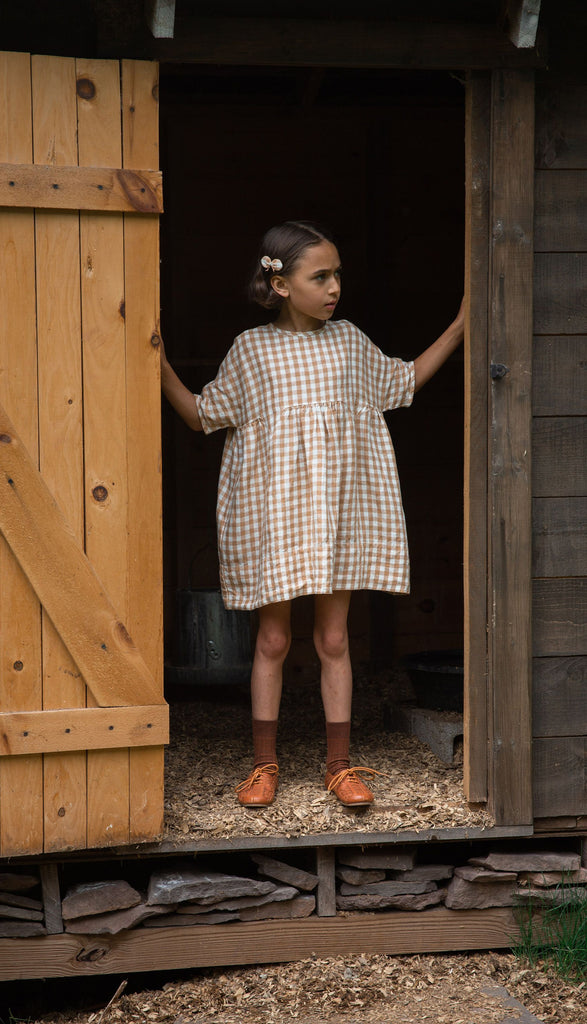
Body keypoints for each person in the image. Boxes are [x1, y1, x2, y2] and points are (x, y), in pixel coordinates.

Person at [160, 220, 464, 810]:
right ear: (279, 285)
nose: (334, 287)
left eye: (337, 274)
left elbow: (401, 383)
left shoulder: (350, 341)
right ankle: (264, 765)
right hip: (278, 518)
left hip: (337, 518)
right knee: (272, 639)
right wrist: (156, 361)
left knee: (332, 637)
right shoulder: (251, 350)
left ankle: (339, 765)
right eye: (320, 276)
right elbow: (202, 415)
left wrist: (457, 328)